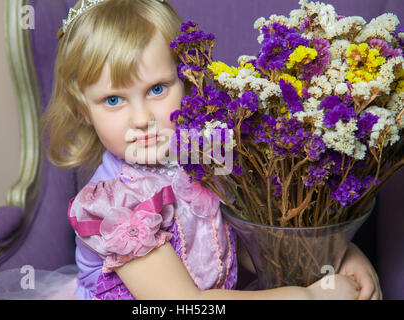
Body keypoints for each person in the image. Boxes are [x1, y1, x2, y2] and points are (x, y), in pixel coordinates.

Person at [44, 0, 382, 300]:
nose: (142, 118)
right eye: (113, 100)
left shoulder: (203, 153)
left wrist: (337, 253)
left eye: (157, 89)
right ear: (83, 110)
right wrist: (307, 297)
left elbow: (257, 237)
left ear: (187, 79)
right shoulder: (113, 205)